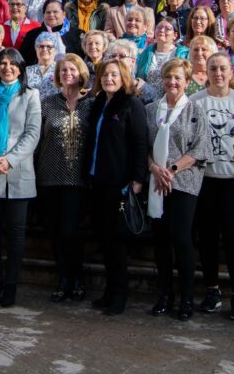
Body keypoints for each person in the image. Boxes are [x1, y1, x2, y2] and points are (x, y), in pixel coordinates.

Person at [190, 52, 234, 321]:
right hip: (206, 180)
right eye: (213, 68)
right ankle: (212, 290)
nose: (218, 73)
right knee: (207, 238)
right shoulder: (196, 102)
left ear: (231, 72)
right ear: (206, 71)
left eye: (223, 69)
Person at [0, 48, 42, 308]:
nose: (6, 68)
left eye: (12, 64)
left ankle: (11, 285)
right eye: (2, 64)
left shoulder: (31, 96)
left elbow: (32, 133)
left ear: (20, 68)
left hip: (18, 171)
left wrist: (10, 159)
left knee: (15, 233)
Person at [146, 58, 210, 321]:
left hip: (183, 181)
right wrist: (154, 168)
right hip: (155, 182)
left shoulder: (195, 109)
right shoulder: (150, 110)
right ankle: (165, 294)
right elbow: (142, 145)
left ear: (186, 82)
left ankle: (186, 297)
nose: (172, 82)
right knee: (160, 241)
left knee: (181, 240)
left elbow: (199, 149)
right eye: (168, 77)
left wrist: (170, 170)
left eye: (178, 78)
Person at [86, 59, 150, 315]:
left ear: (124, 77)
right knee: (104, 239)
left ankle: (119, 295)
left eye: (114, 75)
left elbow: (140, 143)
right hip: (98, 180)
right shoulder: (100, 102)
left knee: (117, 243)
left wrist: (137, 179)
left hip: (120, 183)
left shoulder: (131, 104)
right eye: (104, 75)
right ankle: (109, 291)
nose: (108, 79)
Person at [37, 54, 92, 302]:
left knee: (71, 230)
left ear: (81, 73)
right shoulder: (48, 103)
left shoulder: (91, 103)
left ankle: (77, 277)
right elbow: (37, 139)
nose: (67, 73)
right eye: (62, 70)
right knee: (55, 231)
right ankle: (63, 280)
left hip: (78, 179)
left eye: (72, 69)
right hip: (49, 176)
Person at [135, 17, 190, 102]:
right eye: (159, 27)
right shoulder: (146, 53)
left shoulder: (183, 54)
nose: (162, 30)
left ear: (175, 35)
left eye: (167, 29)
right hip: (147, 101)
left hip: (173, 100)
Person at [19, 0, 82, 65]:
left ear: (63, 14)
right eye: (48, 12)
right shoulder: (32, 35)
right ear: (43, 15)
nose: (51, 15)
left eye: (55, 12)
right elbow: (23, 60)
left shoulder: (77, 35)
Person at [26, 32, 65, 99]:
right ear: (36, 49)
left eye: (49, 47)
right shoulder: (27, 71)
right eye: (41, 46)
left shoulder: (61, 70)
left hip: (55, 108)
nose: (45, 49)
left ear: (55, 50)